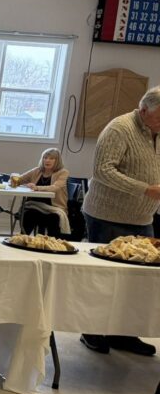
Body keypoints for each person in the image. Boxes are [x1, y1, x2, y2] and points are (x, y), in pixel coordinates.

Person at [80, 86, 160, 356]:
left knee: (138, 282)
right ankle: (91, 331)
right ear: (144, 110)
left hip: (143, 217)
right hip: (107, 215)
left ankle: (124, 334)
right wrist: (145, 189)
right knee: (104, 279)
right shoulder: (119, 128)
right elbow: (103, 171)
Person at [15, 147, 69, 236]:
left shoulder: (63, 172)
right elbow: (19, 180)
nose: (47, 160)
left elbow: (55, 187)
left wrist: (36, 188)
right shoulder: (37, 170)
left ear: (57, 161)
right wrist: (13, 179)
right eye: (45, 158)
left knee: (54, 218)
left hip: (54, 207)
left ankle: (52, 243)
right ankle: (23, 238)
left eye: (51, 158)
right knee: (29, 214)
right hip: (34, 205)